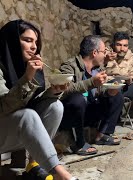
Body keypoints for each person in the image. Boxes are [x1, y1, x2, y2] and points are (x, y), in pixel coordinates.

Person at [0, 20, 76, 180]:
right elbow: (3, 107)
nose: (34, 46)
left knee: (55, 106)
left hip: (16, 131)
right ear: (12, 41)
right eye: (27, 40)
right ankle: (60, 174)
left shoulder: (25, 65)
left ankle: (34, 165)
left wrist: (53, 92)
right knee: (27, 115)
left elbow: (32, 103)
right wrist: (27, 78)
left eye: (36, 42)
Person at [59, 35, 123, 156]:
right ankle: (79, 143)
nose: (105, 55)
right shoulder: (69, 66)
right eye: (104, 52)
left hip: (88, 112)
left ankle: (102, 134)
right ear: (94, 52)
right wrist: (91, 82)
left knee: (116, 95)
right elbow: (65, 89)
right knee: (77, 99)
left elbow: (97, 92)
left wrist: (109, 91)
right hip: (72, 114)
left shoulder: (97, 69)